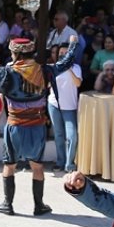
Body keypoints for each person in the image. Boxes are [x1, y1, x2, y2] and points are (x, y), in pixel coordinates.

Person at [0, 36, 79, 216]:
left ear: (15, 53)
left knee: (9, 165)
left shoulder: (5, 72)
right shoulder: (45, 70)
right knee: (37, 166)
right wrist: (72, 43)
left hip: (15, 126)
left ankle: (7, 204)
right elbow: (67, 61)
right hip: (37, 126)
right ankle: (38, 205)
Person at [47, 43, 83, 174]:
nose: (62, 55)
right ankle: (60, 161)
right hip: (54, 105)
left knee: (72, 136)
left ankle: (69, 164)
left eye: (66, 52)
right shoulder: (53, 67)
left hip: (70, 107)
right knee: (58, 134)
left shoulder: (76, 67)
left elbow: (78, 83)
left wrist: (68, 68)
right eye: (61, 53)